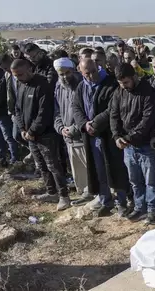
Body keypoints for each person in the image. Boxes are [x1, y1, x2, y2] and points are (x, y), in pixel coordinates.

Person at [11, 59, 70, 210]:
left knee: (53, 166)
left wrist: (32, 131)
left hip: (45, 134)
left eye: (20, 74)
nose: (18, 78)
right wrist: (23, 129)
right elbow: (17, 109)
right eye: (15, 76)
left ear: (29, 69)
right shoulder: (20, 85)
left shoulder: (43, 85)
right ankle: (51, 192)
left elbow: (44, 112)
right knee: (41, 166)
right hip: (29, 135)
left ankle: (64, 196)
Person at [73, 58, 129, 217]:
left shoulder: (110, 84)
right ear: (81, 72)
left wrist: (95, 124)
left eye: (93, 71)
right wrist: (84, 124)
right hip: (91, 136)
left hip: (108, 135)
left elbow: (112, 108)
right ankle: (105, 200)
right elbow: (76, 107)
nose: (91, 76)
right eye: (87, 73)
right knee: (99, 170)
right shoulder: (81, 87)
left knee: (115, 169)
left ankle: (122, 202)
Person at [109, 63, 155, 224]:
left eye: (126, 82)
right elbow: (114, 116)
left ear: (134, 77)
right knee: (135, 181)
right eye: (121, 83)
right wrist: (117, 136)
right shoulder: (119, 93)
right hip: (127, 146)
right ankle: (139, 207)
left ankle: (153, 210)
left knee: (150, 180)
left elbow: (148, 119)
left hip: (145, 145)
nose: (124, 86)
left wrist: (130, 137)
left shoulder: (147, 92)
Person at [53, 58, 93, 207]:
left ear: (74, 71)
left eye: (67, 73)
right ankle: (84, 194)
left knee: (89, 168)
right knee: (77, 171)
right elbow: (56, 111)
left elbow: (88, 113)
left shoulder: (82, 86)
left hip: (82, 135)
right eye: (61, 74)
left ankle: (94, 195)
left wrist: (75, 128)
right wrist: (60, 128)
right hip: (67, 136)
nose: (64, 77)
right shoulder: (58, 87)